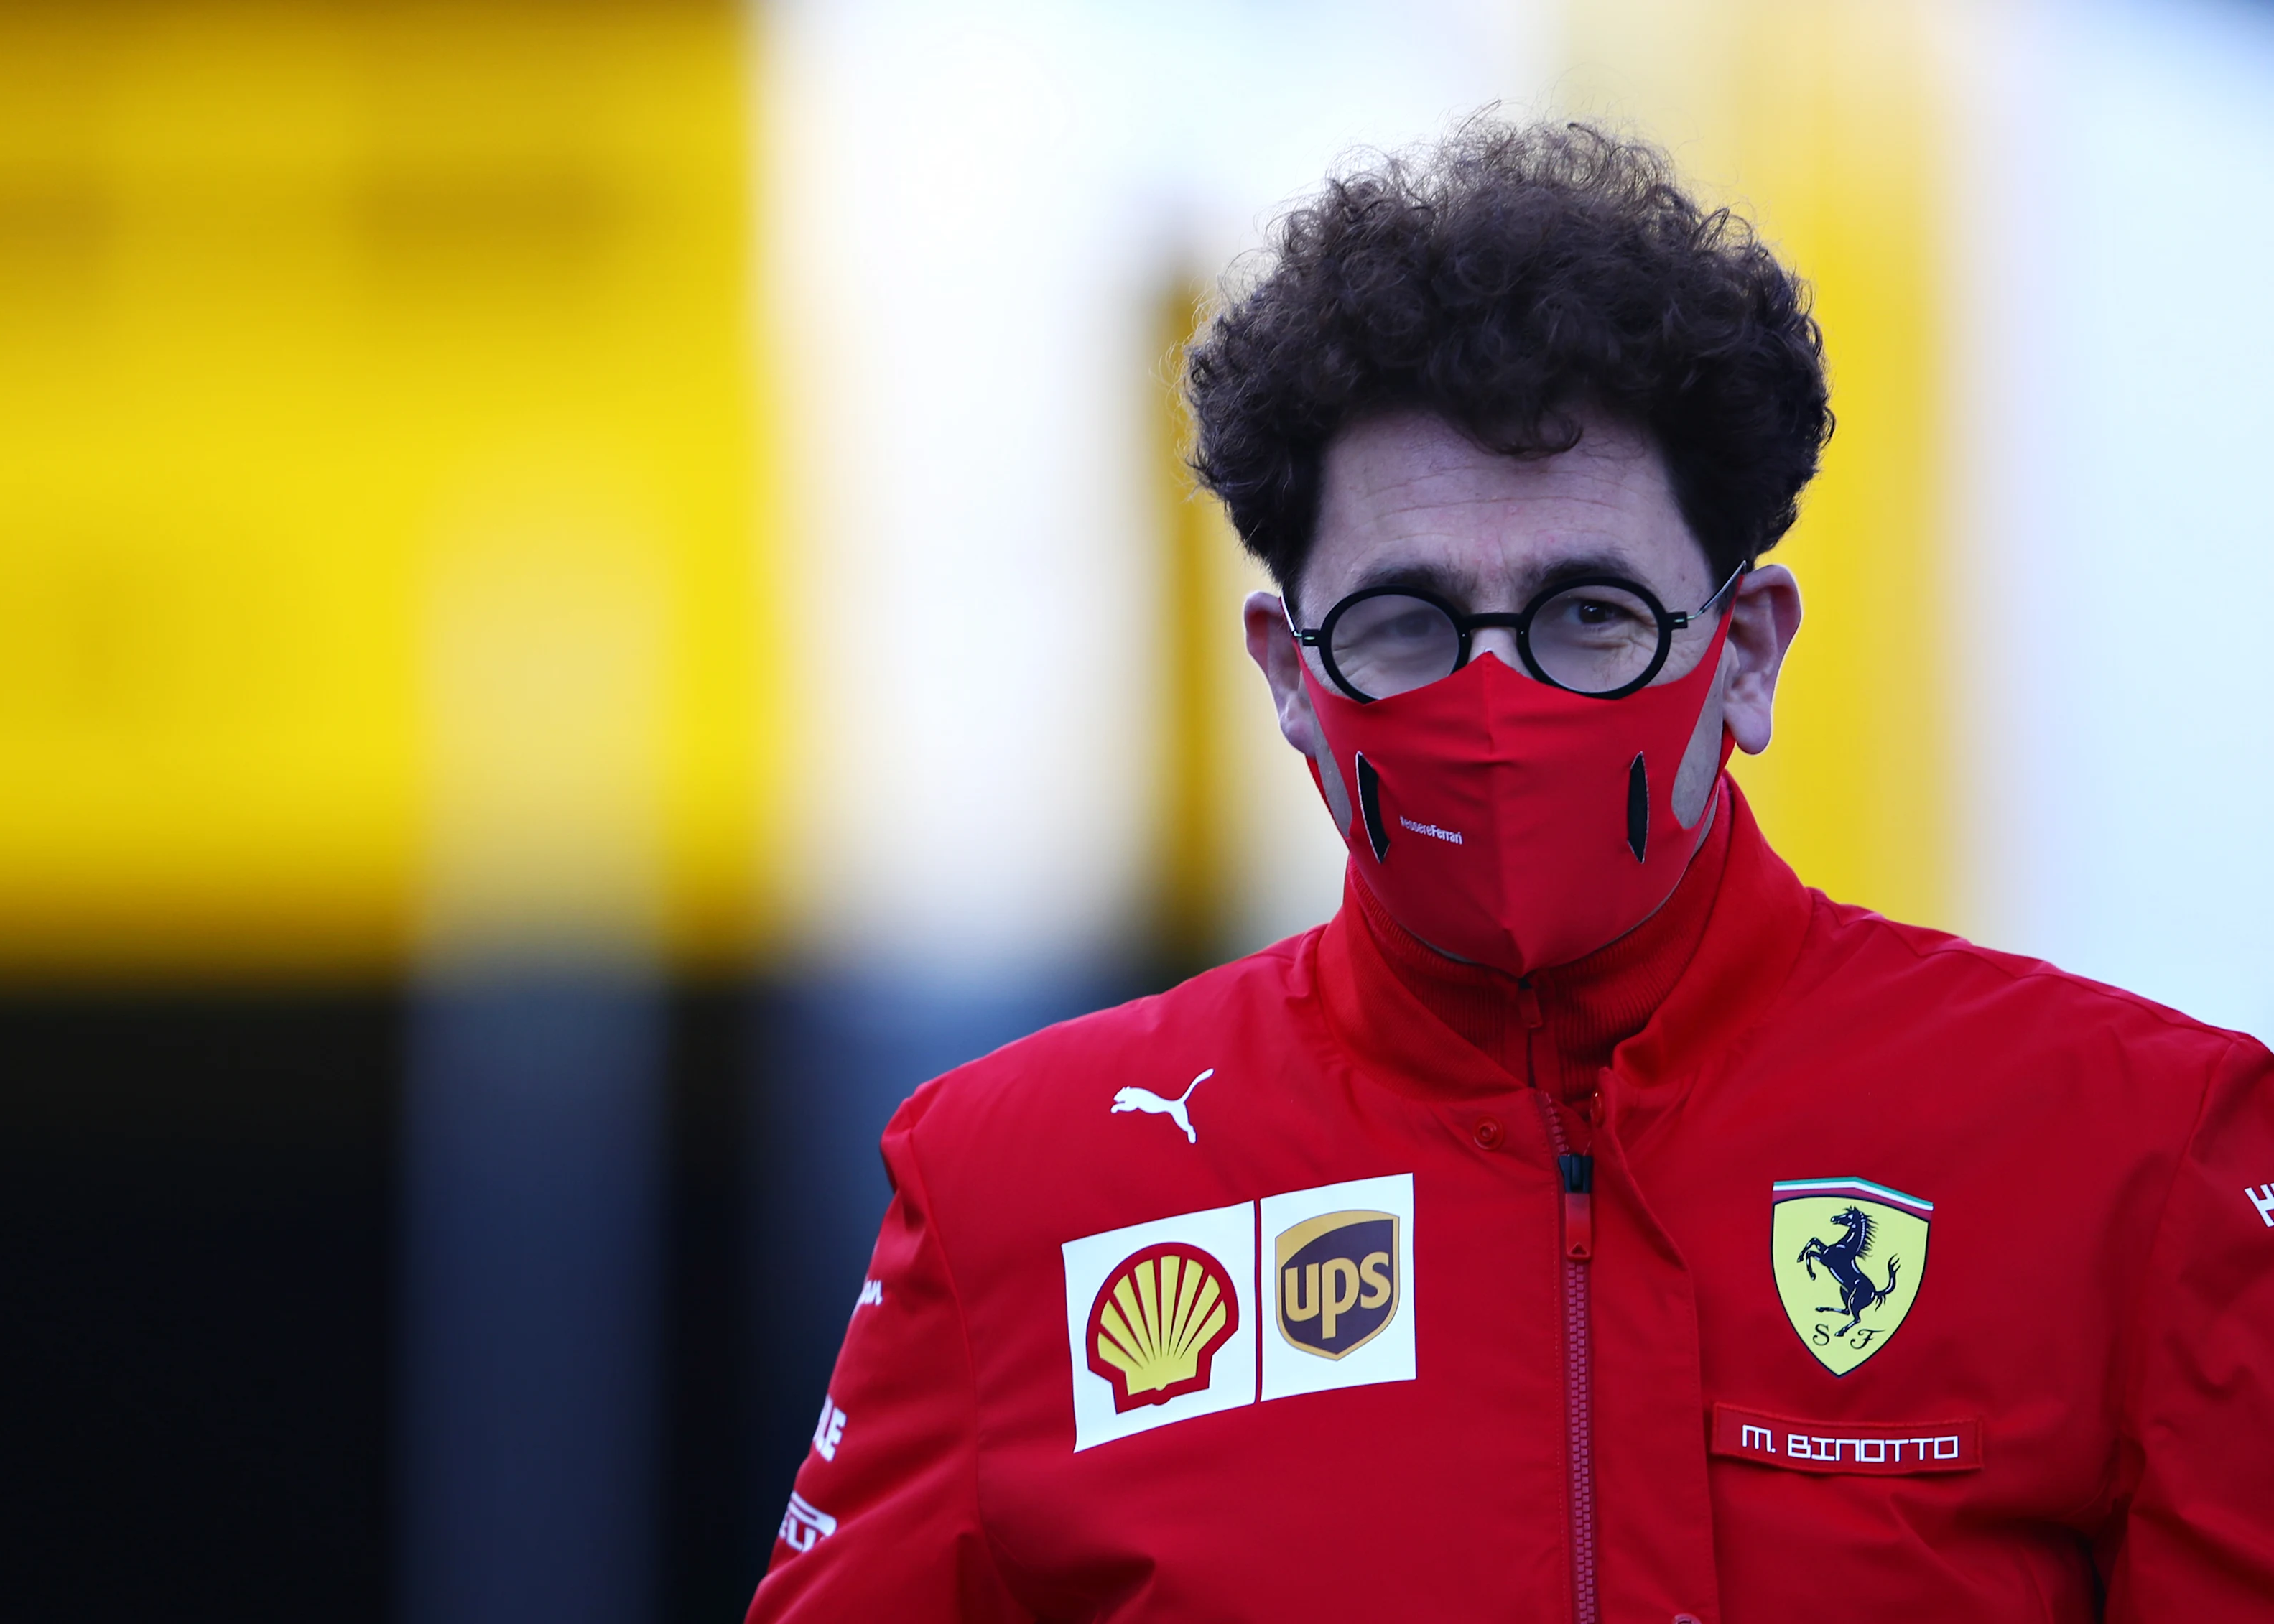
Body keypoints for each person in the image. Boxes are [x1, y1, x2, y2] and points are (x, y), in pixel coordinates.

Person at [743, 120, 2274, 1621]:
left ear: (1744, 654)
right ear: (1288, 674)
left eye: (1588, 615)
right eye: (1406, 620)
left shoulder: (2135, 1150)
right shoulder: (1020, 1187)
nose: (1497, 701)